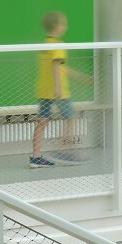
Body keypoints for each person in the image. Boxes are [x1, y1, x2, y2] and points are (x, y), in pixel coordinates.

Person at [30, 9, 75, 166]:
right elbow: (57, 66)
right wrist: (58, 89)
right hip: (58, 91)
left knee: (42, 121)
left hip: (44, 90)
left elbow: (61, 68)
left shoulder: (45, 44)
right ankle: (64, 151)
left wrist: (81, 78)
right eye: (64, 23)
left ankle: (36, 157)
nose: (65, 27)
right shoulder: (58, 45)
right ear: (57, 26)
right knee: (71, 117)